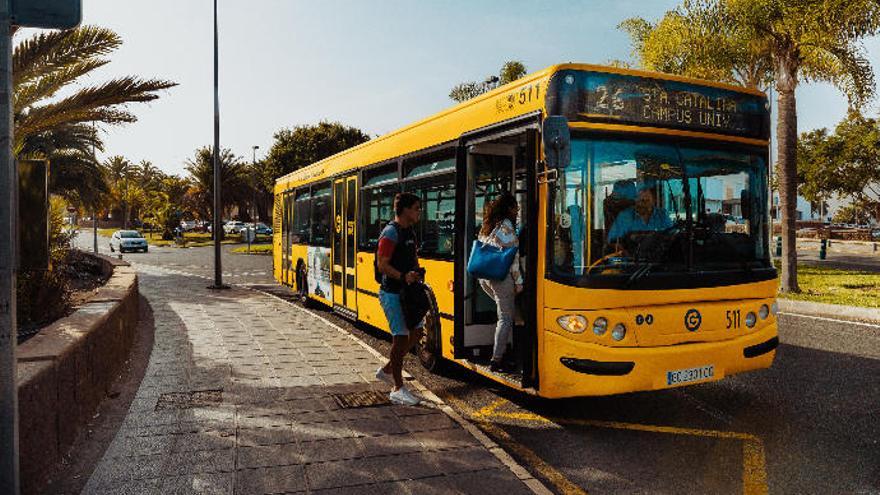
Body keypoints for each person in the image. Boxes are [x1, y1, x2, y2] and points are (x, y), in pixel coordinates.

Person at [375, 192, 425, 406]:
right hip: (392, 293)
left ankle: (387, 370)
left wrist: (416, 271)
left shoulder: (409, 232)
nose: (419, 212)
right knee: (401, 338)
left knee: (417, 332)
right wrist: (403, 276)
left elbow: (411, 258)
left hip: (408, 292)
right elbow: (382, 265)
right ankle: (397, 388)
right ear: (405, 210)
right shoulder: (390, 233)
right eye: (416, 208)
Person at [476, 193, 523, 372]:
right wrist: (519, 281)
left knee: (514, 316)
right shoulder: (507, 227)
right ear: (509, 208)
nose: (517, 210)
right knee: (505, 318)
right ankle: (497, 360)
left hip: (485, 277)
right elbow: (513, 258)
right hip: (501, 278)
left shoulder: (489, 225)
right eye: (515, 207)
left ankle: (514, 350)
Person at [608, 186, 673, 243]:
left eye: (647, 201)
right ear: (635, 200)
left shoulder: (662, 215)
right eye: (641, 200)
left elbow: (673, 235)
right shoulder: (625, 216)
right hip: (632, 255)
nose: (643, 204)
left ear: (654, 201)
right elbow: (612, 241)